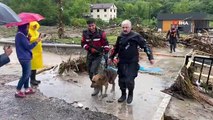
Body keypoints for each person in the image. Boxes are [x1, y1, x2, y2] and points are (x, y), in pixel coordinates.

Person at [109, 20, 154, 104]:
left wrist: (150, 57)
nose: (125, 29)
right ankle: (123, 94)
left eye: (126, 27)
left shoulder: (136, 36)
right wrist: (111, 57)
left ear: (130, 27)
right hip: (122, 61)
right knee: (121, 80)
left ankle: (130, 94)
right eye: (123, 27)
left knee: (129, 80)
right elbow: (116, 48)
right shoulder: (120, 36)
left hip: (132, 61)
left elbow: (145, 46)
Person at [81, 18, 110, 96]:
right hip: (90, 54)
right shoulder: (85, 33)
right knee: (90, 72)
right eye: (89, 26)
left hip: (99, 55)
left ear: (95, 24)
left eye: (92, 25)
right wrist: (90, 49)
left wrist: (106, 51)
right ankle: (95, 84)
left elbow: (106, 44)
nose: (91, 27)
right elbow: (83, 44)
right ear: (87, 26)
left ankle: (97, 88)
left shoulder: (101, 33)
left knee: (94, 71)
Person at [15, 23, 41, 98]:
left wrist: (28, 39)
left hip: (25, 56)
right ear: (24, 27)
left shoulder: (20, 35)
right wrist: (37, 41)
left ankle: (26, 89)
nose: (27, 28)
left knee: (27, 73)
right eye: (27, 27)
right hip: (24, 58)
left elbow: (24, 45)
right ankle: (18, 90)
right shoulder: (20, 35)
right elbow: (28, 46)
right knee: (26, 75)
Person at [28, 21, 43, 86]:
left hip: (37, 52)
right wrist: (37, 38)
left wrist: (41, 36)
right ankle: (32, 80)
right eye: (34, 25)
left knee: (35, 67)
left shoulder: (36, 32)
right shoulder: (29, 31)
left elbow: (39, 38)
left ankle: (34, 79)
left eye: (36, 26)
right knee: (32, 67)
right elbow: (29, 39)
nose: (35, 27)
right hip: (32, 51)